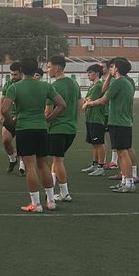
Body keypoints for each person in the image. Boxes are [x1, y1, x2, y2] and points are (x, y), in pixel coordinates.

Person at [0, 57, 65, 212]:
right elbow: (62, 105)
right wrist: (48, 119)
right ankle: (50, 201)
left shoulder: (15, 88)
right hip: (42, 128)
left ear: (21, 71)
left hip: (24, 128)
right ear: (35, 69)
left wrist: (12, 122)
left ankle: (36, 204)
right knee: (44, 165)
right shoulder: (45, 86)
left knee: (30, 166)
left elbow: (4, 110)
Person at [83, 57, 137, 193]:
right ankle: (125, 180)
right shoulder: (125, 81)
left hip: (119, 121)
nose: (109, 70)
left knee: (123, 153)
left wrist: (89, 103)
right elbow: (105, 88)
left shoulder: (119, 82)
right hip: (122, 121)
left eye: (112, 67)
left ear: (116, 68)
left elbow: (103, 99)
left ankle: (129, 182)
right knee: (121, 152)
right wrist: (109, 76)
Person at [46, 54, 80, 202]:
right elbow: (80, 105)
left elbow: (47, 111)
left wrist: (46, 120)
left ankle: (65, 192)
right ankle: (52, 188)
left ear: (57, 67)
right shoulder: (74, 84)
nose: (47, 70)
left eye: (48, 67)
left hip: (58, 128)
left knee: (58, 160)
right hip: (71, 128)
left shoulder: (54, 87)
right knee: (57, 159)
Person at [81, 63, 108, 175]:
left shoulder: (98, 86)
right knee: (94, 143)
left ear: (97, 73)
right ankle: (95, 164)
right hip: (90, 118)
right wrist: (87, 102)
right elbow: (86, 100)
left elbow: (89, 101)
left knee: (99, 143)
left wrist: (87, 103)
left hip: (97, 118)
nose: (88, 75)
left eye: (90, 72)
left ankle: (101, 166)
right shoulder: (93, 86)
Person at [0, 61, 23, 172]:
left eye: (15, 74)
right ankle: (12, 159)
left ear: (21, 73)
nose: (13, 77)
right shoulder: (8, 84)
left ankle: (23, 166)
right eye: (11, 74)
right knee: (5, 140)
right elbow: (2, 99)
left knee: (23, 142)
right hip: (9, 117)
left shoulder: (25, 84)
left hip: (22, 118)